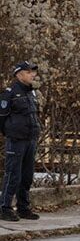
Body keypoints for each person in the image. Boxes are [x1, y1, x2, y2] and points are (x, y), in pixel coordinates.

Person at [0, 61, 41, 221]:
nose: (33, 75)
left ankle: (23, 208)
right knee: (13, 174)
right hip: (16, 140)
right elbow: (1, 118)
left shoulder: (31, 92)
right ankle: (5, 208)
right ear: (19, 74)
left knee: (27, 175)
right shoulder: (10, 93)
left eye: (33, 72)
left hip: (30, 139)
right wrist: (10, 132)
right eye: (29, 72)